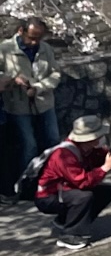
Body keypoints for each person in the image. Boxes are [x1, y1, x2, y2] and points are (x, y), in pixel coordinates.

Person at [34, 116, 111, 246]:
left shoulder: (87, 149)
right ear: (90, 139)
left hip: (66, 190)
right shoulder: (63, 155)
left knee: (107, 191)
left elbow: (97, 158)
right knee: (84, 197)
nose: (101, 138)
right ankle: (70, 235)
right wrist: (106, 167)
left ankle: (65, 220)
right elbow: (82, 182)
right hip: (48, 196)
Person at [3, 17, 62, 195]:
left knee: (53, 140)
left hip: (44, 102)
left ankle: (53, 179)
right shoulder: (5, 49)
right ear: (21, 31)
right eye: (32, 38)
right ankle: (25, 185)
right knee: (29, 145)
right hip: (18, 105)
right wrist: (12, 79)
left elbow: (55, 74)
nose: (35, 42)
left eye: (39, 38)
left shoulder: (45, 49)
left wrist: (38, 88)